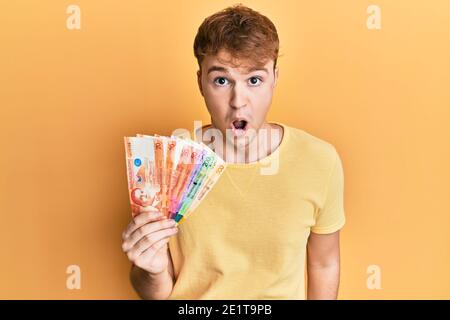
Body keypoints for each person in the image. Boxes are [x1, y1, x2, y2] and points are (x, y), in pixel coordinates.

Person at [121, 4, 345, 300]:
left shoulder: (320, 161)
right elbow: (156, 294)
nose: (239, 101)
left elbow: (324, 263)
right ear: (200, 82)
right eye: (222, 80)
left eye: (254, 80)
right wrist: (151, 270)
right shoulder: (166, 164)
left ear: (274, 79)